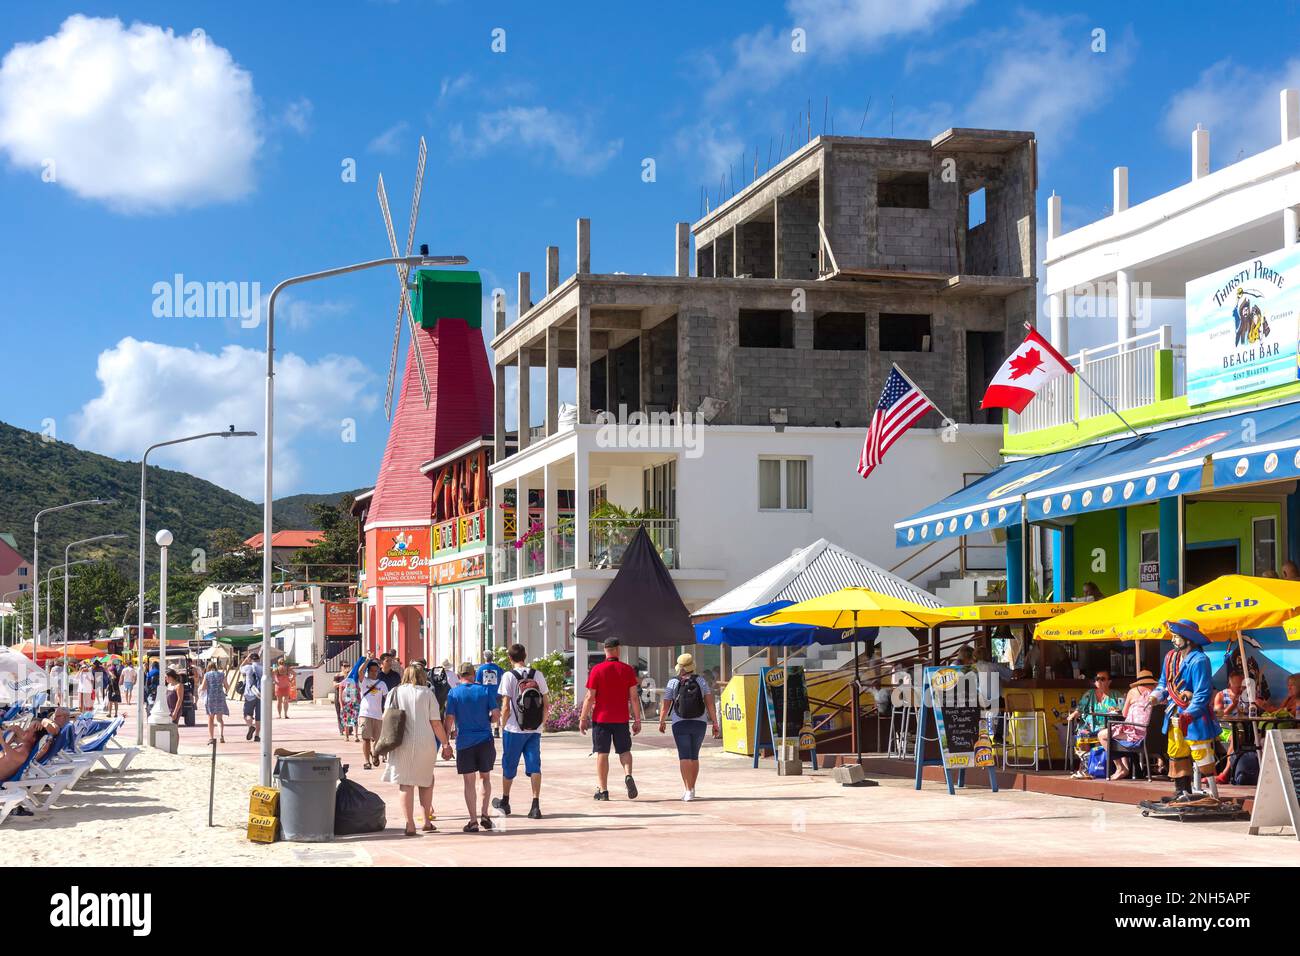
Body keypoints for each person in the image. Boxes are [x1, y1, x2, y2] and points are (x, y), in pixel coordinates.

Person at [1151, 619, 1222, 804]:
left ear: (1189, 639)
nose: (1173, 640)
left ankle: (1214, 793)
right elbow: (1163, 684)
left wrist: (1189, 714)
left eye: (1176, 636)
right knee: (1176, 751)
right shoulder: (1170, 658)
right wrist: (1156, 696)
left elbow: (1203, 693)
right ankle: (1182, 791)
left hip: (1194, 716)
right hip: (1173, 712)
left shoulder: (1200, 660)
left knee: (1201, 752)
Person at [383, 664, 453, 836]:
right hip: (425, 742)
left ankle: (410, 824)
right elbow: (436, 723)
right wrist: (445, 744)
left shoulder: (394, 692)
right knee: (426, 780)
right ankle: (427, 822)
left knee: (405, 783)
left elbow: (386, 717)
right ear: (423, 676)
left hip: (401, 742)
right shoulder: (428, 694)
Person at [579, 637, 641, 801]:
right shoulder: (627, 670)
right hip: (621, 718)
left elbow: (589, 697)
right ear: (618, 649)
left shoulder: (597, 670)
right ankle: (628, 774)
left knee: (602, 753)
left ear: (605, 649)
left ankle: (603, 790)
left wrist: (583, 718)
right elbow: (634, 698)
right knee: (625, 750)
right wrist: (637, 720)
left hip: (601, 719)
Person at [492, 643, 549, 819]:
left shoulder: (509, 676)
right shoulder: (537, 674)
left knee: (509, 765)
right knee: (534, 766)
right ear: (525, 656)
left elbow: (506, 705)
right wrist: (541, 723)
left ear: (510, 658)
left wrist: (502, 724)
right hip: (534, 729)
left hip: (514, 729)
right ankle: (535, 805)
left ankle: (506, 801)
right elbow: (546, 703)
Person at [443, 661, 501, 832]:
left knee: (469, 782)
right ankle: (485, 814)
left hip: (465, 742)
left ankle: (473, 821)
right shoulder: (484, 690)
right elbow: (496, 715)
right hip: (484, 740)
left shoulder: (454, 693)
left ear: (459, 676)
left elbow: (449, 719)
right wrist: (488, 721)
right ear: (473, 674)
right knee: (485, 777)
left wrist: (446, 743)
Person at [658, 653, 720, 801]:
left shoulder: (673, 682)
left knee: (684, 756)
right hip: (700, 723)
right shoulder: (701, 681)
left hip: (680, 722)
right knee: (694, 756)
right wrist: (715, 723)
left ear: (680, 668)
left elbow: (665, 704)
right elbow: (710, 703)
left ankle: (687, 791)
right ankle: (692, 788)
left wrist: (661, 721)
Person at [1099, 669, 1157, 780]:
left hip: (1137, 735)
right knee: (1116, 734)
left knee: (1102, 735)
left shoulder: (1133, 691)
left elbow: (1124, 713)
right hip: (1156, 737)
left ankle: (1121, 768)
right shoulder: (1159, 695)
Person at [1067, 669, 1121, 778]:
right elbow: (1080, 708)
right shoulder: (1089, 694)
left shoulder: (1115, 694)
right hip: (1089, 725)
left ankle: (1098, 767)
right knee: (1083, 734)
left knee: (1102, 735)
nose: (1099, 681)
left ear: (1109, 681)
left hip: (1107, 725)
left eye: (1103, 679)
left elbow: (1122, 709)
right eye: (1097, 679)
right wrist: (1074, 714)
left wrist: (1116, 709)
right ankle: (1086, 768)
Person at [358, 660, 387, 770]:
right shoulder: (364, 681)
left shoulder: (382, 684)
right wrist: (367, 660)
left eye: (376, 671)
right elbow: (360, 672)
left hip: (378, 715)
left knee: (378, 740)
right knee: (366, 738)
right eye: (372, 671)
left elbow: (387, 698)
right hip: (365, 714)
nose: (374, 673)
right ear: (368, 671)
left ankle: (374, 753)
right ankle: (367, 761)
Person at [476, 648, 504, 739]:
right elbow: (502, 678)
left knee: (485, 711)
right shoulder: (498, 668)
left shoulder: (481, 669)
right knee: (497, 710)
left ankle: (487, 729)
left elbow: (478, 682)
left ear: (485, 658)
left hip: (485, 693)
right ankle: (496, 730)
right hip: (496, 693)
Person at [201, 660, 229, 745]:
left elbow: (203, 687)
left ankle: (211, 738)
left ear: (208, 668)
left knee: (211, 718)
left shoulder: (207, 675)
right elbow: (227, 686)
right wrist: (225, 692)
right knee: (219, 719)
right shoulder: (221, 674)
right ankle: (221, 735)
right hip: (220, 697)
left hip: (211, 697)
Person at [240, 652, 263, 742]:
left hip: (249, 694)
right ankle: (257, 735)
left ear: (251, 659)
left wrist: (245, 660)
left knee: (247, 714)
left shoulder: (248, 667)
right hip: (260, 695)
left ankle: (250, 726)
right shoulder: (263, 668)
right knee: (258, 717)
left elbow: (240, 669)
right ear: (259, 659)